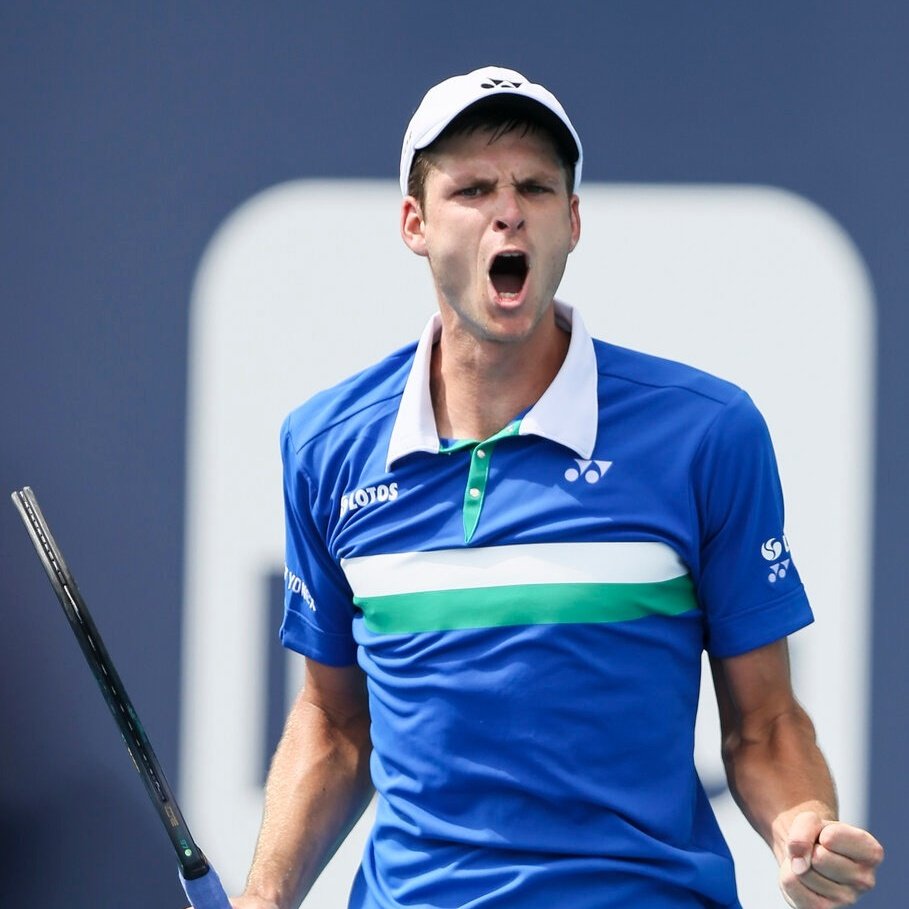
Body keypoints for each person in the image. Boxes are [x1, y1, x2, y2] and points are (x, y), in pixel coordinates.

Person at [229, 66, 884, 908]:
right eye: (472, 189)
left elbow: (763, 723)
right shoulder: (326, 446)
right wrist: (265, 894)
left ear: (571, 223)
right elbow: (333, 723)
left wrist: (802, 821)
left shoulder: (706, 432)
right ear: (414, 223)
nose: (508, 211)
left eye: (535, 188)